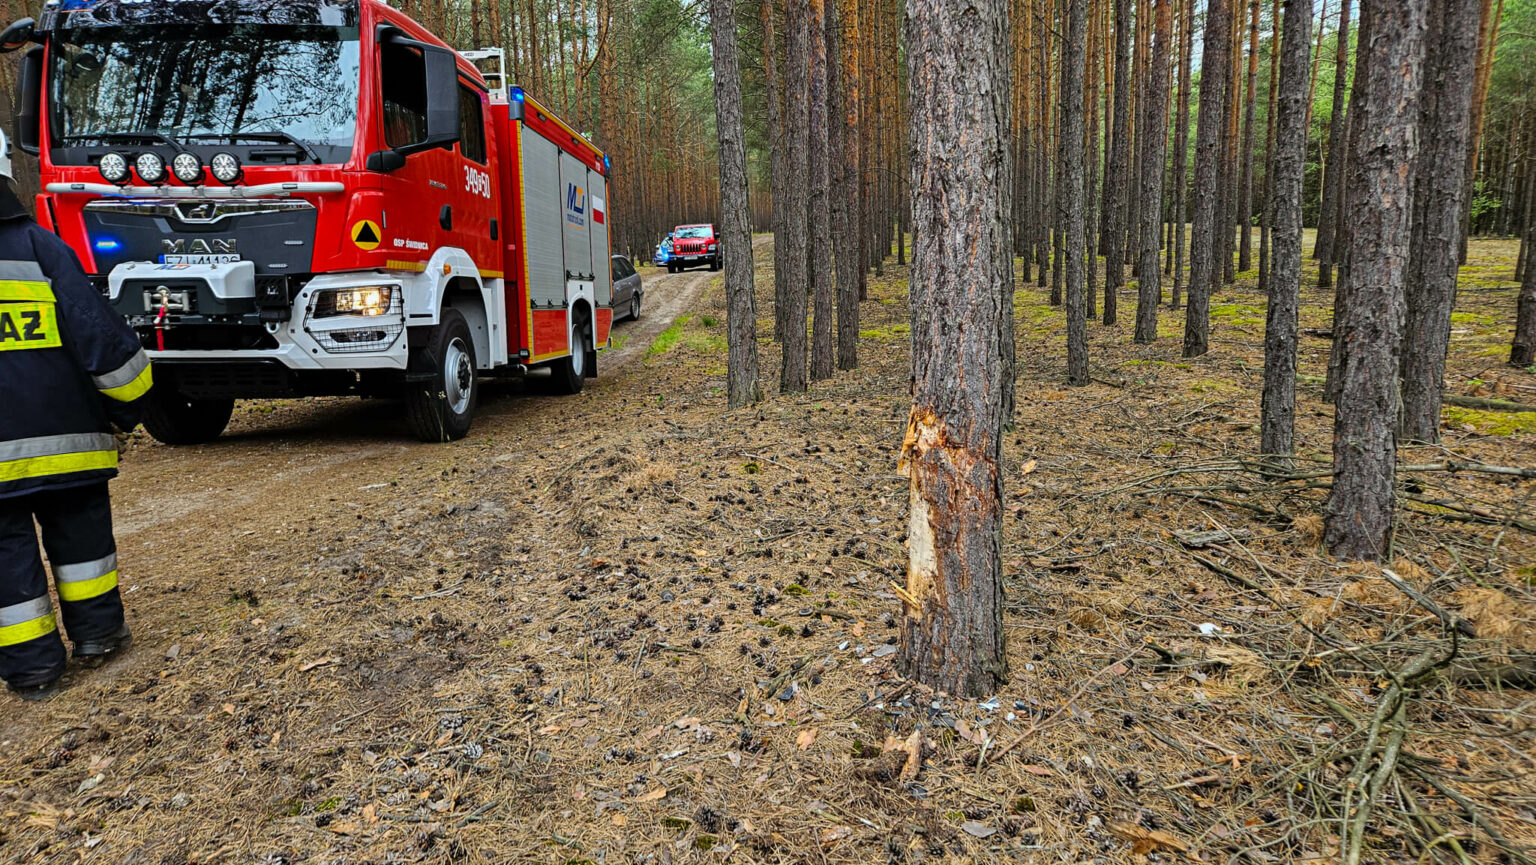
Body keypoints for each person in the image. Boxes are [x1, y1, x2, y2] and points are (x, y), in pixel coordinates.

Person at [0, 130, 151, 701]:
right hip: (68, 442)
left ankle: (34, 670)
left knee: (5, 559)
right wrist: (131, 409)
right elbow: (104, 344)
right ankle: (98, 635)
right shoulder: (39, 248)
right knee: (83, 539)